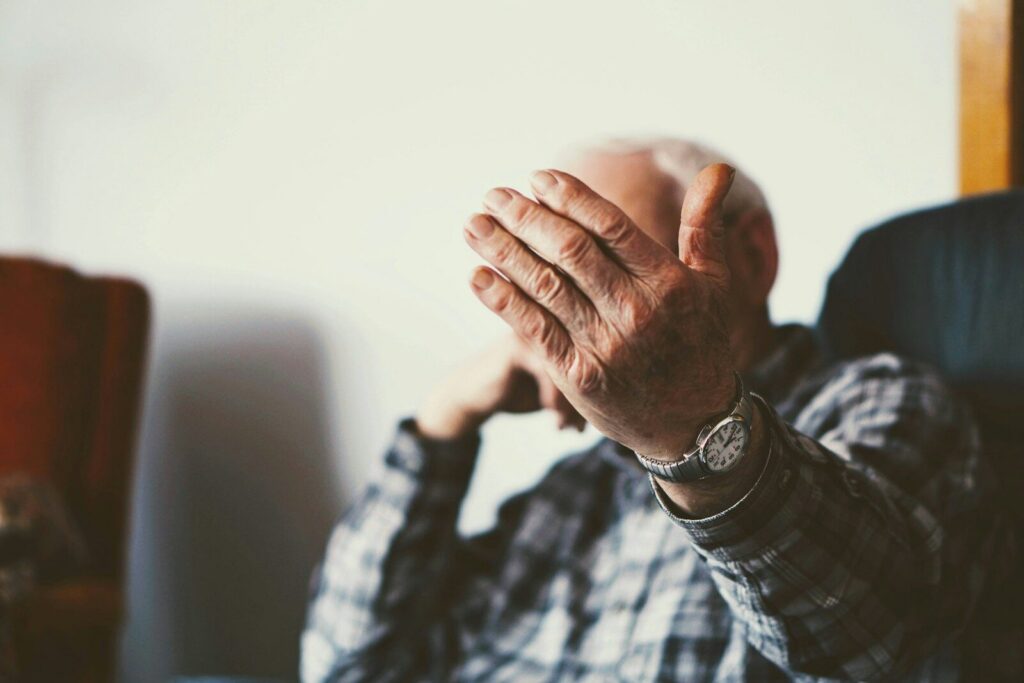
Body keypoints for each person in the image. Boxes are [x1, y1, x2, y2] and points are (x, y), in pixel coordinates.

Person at [300, 138, 1005, 681]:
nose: (570, 308)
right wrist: (442, 423)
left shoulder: (884, 401)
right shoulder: (570, 491)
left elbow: (863, 636)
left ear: (753, 255)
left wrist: (690, 427)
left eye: (606, 262)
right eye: (550, 279)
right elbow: (345, 663)